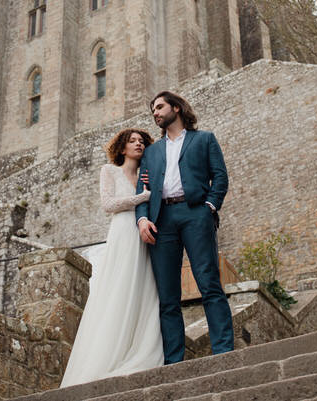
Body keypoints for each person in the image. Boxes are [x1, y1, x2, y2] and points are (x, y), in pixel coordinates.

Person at [60, 129, 164, 387]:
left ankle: (139, 348)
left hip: (146, 232)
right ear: (122, 147)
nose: (138, 144)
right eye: (132, 141)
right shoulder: (109, 170)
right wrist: (142, 197)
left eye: (142, 141)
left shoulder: (146, 173)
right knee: (120, 286)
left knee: (145, 287)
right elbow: (108, 204)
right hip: (123, 233)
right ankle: (112, 353)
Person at [135, 91, 234, 364]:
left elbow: (220, 176)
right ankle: (173, 362)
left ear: (176, 108)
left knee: (209, 283)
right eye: (153, 110)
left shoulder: (204, 139)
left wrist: (210, 207)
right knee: (168, 296)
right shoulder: (151, 153)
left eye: (159, 107)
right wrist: (142, 219)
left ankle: (224, 352)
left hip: (195, 214)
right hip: (161, 220)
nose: (155, 113)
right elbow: (141, 191)